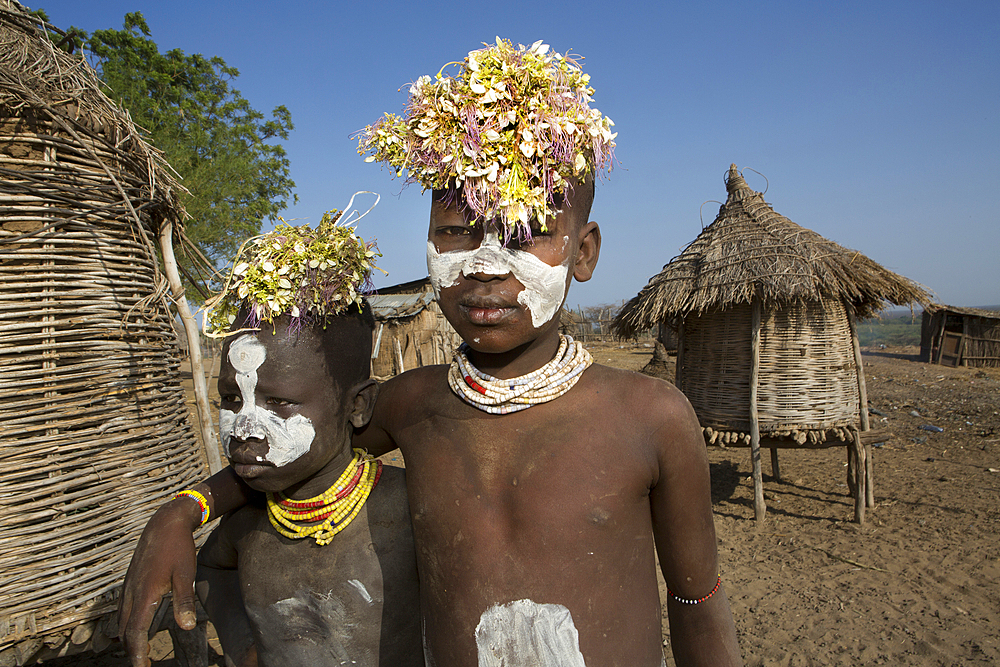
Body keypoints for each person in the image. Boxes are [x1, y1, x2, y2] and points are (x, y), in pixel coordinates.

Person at [120, 39, 741, 666]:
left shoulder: (652, 416)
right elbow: (291, 451)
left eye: (526, 236)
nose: (485, 264)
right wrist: (182, 511)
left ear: (583, 252)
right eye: (456, 231)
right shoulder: (413, 404)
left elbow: (698, 604)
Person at [177, 216, 421, 665]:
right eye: (231, 399)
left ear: (358, 406)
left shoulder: (406, 511)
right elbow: (210, 569)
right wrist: (244, 647)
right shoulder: (247, 525)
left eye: (279, 403)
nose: (245, 427)